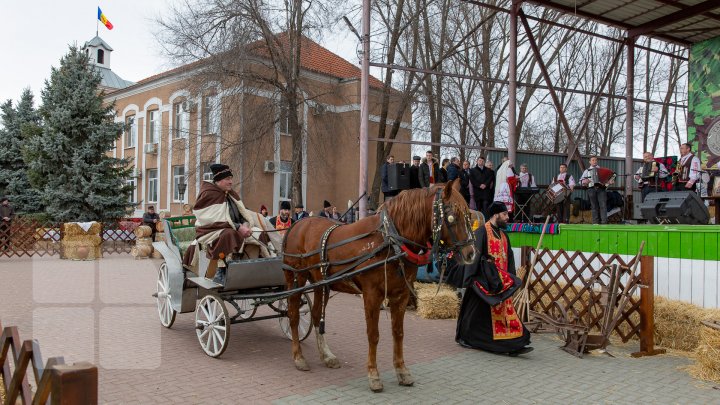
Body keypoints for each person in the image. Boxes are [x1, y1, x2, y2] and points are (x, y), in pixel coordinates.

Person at [456, 201, 532, 356]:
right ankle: (466, 338)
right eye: (504, 214)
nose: (507, 217)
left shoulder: (504, 235)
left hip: (499, 284)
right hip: (482, 282)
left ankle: (514, 343)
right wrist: (469, 279)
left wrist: (511, 280)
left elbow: (509, 258)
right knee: (472, 313)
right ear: (496, 214)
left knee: (503, 314)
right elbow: (474, 256)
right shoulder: (482, 232)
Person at [182, 163, 278, 284]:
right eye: (228, 179)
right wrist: (239, 228)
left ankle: (254, 269)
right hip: (210, 231)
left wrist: (246, 224)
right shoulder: (208, 194)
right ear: (218, 180)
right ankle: (221, 271)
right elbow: (214, 220)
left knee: (260, 234)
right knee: (229, 235)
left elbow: (241, 214)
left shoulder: (230, 194)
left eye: (231, 178)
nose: (231, 182)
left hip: (233, 228)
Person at [580, 156, 611, 224]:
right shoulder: (587, 171)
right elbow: (581, 181)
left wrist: (609, 182)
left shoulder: (602, 170)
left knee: (603, 205)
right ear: (590, 162)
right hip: (591, 189)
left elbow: (608, 180)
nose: (594, 161)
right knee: (594, 206)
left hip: (601, 189)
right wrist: (585, 181)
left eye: (596, 160)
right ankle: (595, 222)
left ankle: (604, 222)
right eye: (593, 160)